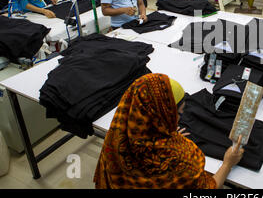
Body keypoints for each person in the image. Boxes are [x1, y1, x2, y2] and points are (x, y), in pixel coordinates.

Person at [93, 73, 244, 189]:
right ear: (164, 115)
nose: (179, 119)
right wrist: (227, 164)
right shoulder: (174, 161)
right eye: (179, 114)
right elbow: (208, 187)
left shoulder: (119, 131)